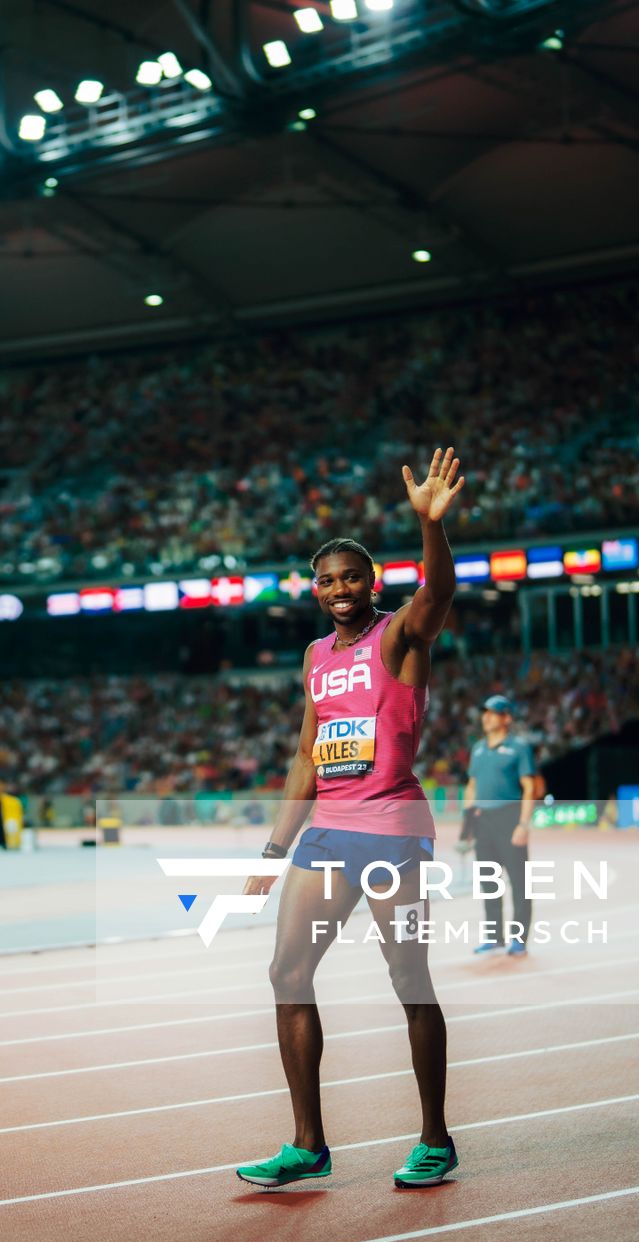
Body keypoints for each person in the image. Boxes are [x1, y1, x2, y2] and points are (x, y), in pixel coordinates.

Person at [234, 446, 465, 1193]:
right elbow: (305, 759)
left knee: (409, 978)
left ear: (372, 582)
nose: (340, 589)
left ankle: (435, 1137)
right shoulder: (314, 657)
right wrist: (272, 851)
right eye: (327, 580)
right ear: (315, 590)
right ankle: (308, 1144)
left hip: (391, 825)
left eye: (352, 577)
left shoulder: (398, 637)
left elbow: (440, 594)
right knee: (287, 972)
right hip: (328, 829)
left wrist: (430, 525)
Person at [462, 695, 542, 955]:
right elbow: (472, 787)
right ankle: (494, 937)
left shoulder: (519, 747)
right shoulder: (478, 749)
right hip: (483, 821)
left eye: (492, 712)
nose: (485, 717)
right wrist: (467, 829)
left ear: (506, 717)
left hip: (509, 818)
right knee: (489, 883)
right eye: (484, 712)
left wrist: (523, 824)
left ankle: (519, 939)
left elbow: (529, 788)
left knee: (519, 883)